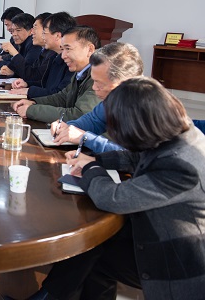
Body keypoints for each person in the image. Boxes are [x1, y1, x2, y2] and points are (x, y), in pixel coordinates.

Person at [11, 77, 205, 300]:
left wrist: (91, 168)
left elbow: (113, 198)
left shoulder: (182, 165)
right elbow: (135, 157)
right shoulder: (176, 133)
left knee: (91, 250)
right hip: (157, 234)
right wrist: (97, 160)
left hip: (177, 262)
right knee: (93, 251)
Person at [50, 42, 144, 151]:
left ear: (124, 82)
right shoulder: (113, 100)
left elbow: (134, 155)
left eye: (100, 84)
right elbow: (94, 121)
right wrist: (68, 127)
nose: (94, 87)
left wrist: (85, 138)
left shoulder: (148, 107)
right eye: (94, 81)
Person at [12, 25, 101, 123]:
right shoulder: (81, 73)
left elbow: (79, 115)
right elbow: (62, 98)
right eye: (62, 49)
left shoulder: (100, 77)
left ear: (90, 49)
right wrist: (33, 102)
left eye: (68, 49)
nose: (63, 56)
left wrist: (32, 110)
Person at [9, 12, 76, 98]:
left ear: (57, 36)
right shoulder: (54, 56)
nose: (32, 32)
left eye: (44, 32)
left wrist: (29, 91)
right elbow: (45, 83)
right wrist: (27, 84)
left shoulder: (71, 61)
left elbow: (59, 95)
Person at [0, 13, 44, 78]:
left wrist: (13, 70)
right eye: (13, 31)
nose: (14, 34)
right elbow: (14, 64)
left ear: (30, 31)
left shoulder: (34, 45)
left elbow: (27, 71)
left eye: (18, 30)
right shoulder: (22, 43)